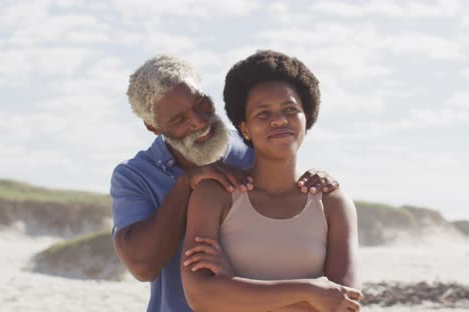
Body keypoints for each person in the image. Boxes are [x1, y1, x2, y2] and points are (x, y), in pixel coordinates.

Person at [111, 54, 341, 312]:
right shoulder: (135, 176)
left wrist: (316, 179)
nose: (198, 121)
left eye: (201, 104)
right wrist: (186, 184)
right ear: (153, 126)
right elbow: (142, 266)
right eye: (179, 120)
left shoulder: (252, 146)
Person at [181, 50, 362, 311]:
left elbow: (344, 305)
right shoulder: (214, 195)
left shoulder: (333, 203)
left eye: (290, 109)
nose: (279, 120)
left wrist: (232, 286)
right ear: (244, 128)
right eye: (262, 114)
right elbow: (201, 298)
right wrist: (310, 291)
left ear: (306, 117)